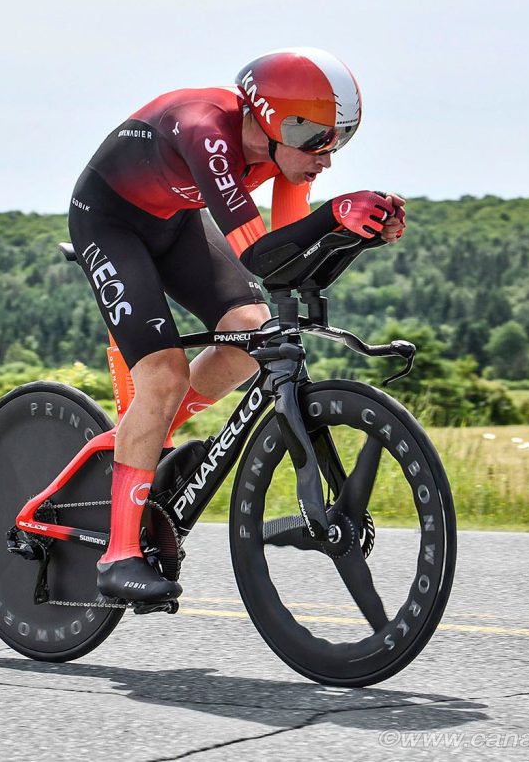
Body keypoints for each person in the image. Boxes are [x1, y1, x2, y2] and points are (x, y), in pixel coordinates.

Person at [67, 47, 407, 603]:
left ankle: (148, 439)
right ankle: (118, 557)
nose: (328, 157)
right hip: (110, 223)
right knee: (164, 376)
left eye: (340, 140)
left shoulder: (284, 154)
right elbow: (259, 255)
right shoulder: (208, 131)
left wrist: (356, 233)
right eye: (320, 139)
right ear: (277, 122)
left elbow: (289, 263)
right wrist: (334, 212)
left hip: (176, 223)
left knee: (255, 333)